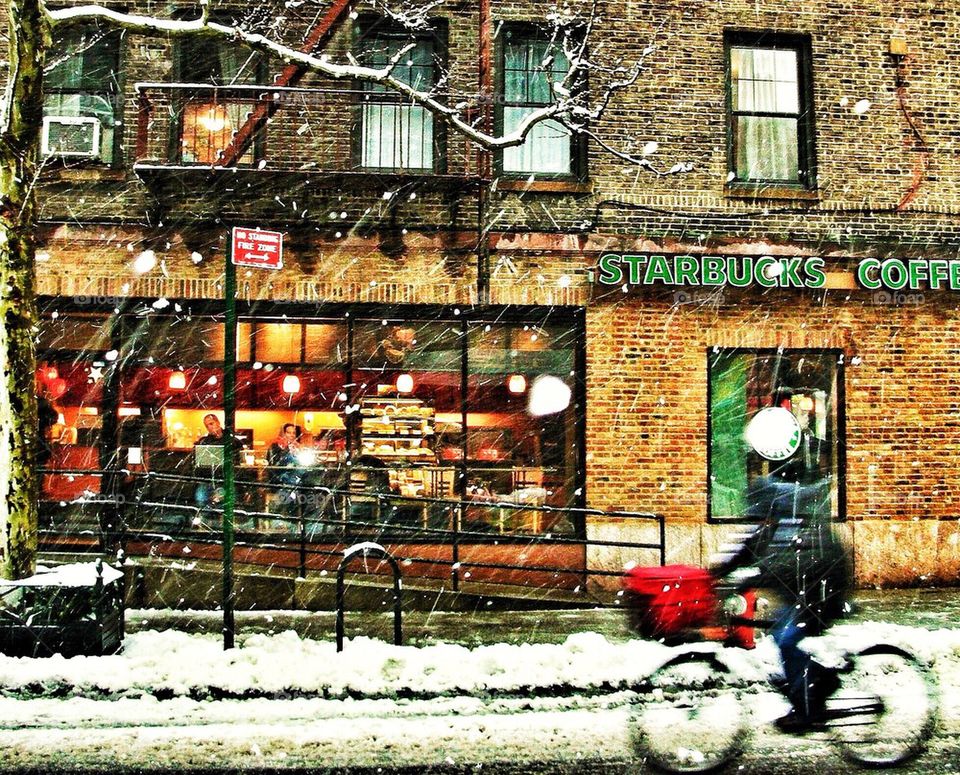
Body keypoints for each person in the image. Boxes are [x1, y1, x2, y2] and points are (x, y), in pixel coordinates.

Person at [712, 466, 852, 733]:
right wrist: (716, 573)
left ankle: (809, 708)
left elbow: (782, 568)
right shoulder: (774, 522)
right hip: (804, 593)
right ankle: (815, 682)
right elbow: (749, 549)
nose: (760, 522)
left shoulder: (794, 525)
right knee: (778, 633)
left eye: (761, 516)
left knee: (788, 640)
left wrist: (750, 581)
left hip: (824, 592)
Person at [192, 414, 245, 516]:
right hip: (208, 479)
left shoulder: (232, 441)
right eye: (207, 426)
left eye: (211, 423)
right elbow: (198, 465)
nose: (210, 427)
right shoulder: (204, 442)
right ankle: (207, 522)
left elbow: (239, 462)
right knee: (200, 497)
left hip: (226, 479)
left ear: (218, 423)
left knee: (225, 498)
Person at [266, 423, 303, 518]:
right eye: (288, 432)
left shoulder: (298, 447)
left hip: (295, 478)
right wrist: (287, 452)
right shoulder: (275, 446)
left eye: (293, 433)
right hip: (278, 478)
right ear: (283, 433)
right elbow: (274, 466)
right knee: (291, 487)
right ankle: (287, 514)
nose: (291, 435)